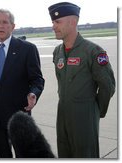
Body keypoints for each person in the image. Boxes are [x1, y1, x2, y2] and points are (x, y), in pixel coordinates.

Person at [48, 2, 116, 158]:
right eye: (52, 22)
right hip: (62, 114)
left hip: (84, 117)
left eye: (57, 22)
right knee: (64, 153)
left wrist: (95, 110)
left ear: (73, 22)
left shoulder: (94, 51)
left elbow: (107, 86)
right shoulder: (57, 52)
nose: (53, 26)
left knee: (85, 155)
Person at [0, 9, 45, 158]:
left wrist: (34, 93)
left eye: (5, 22)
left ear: (13, 26)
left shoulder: (27, 49)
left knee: (24, 155)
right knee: (2, 155)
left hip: (19, 114)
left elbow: (37, 79)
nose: (1, 26)